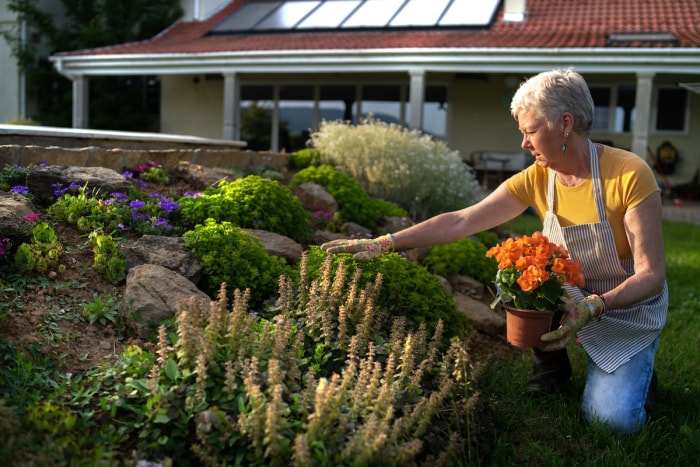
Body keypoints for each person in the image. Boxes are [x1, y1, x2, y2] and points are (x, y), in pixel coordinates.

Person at [321, 68, 667, 435]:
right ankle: (552, 363)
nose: (524, 143)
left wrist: (595, 305)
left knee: (610, 424)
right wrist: (386, 243)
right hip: (573, 297)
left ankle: (637, 367)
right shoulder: (537, 177)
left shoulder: (629, 174)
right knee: (521, 267)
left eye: (530, 131)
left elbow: (651, 274)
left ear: (565, 123)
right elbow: (461, 221)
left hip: (626, 308)